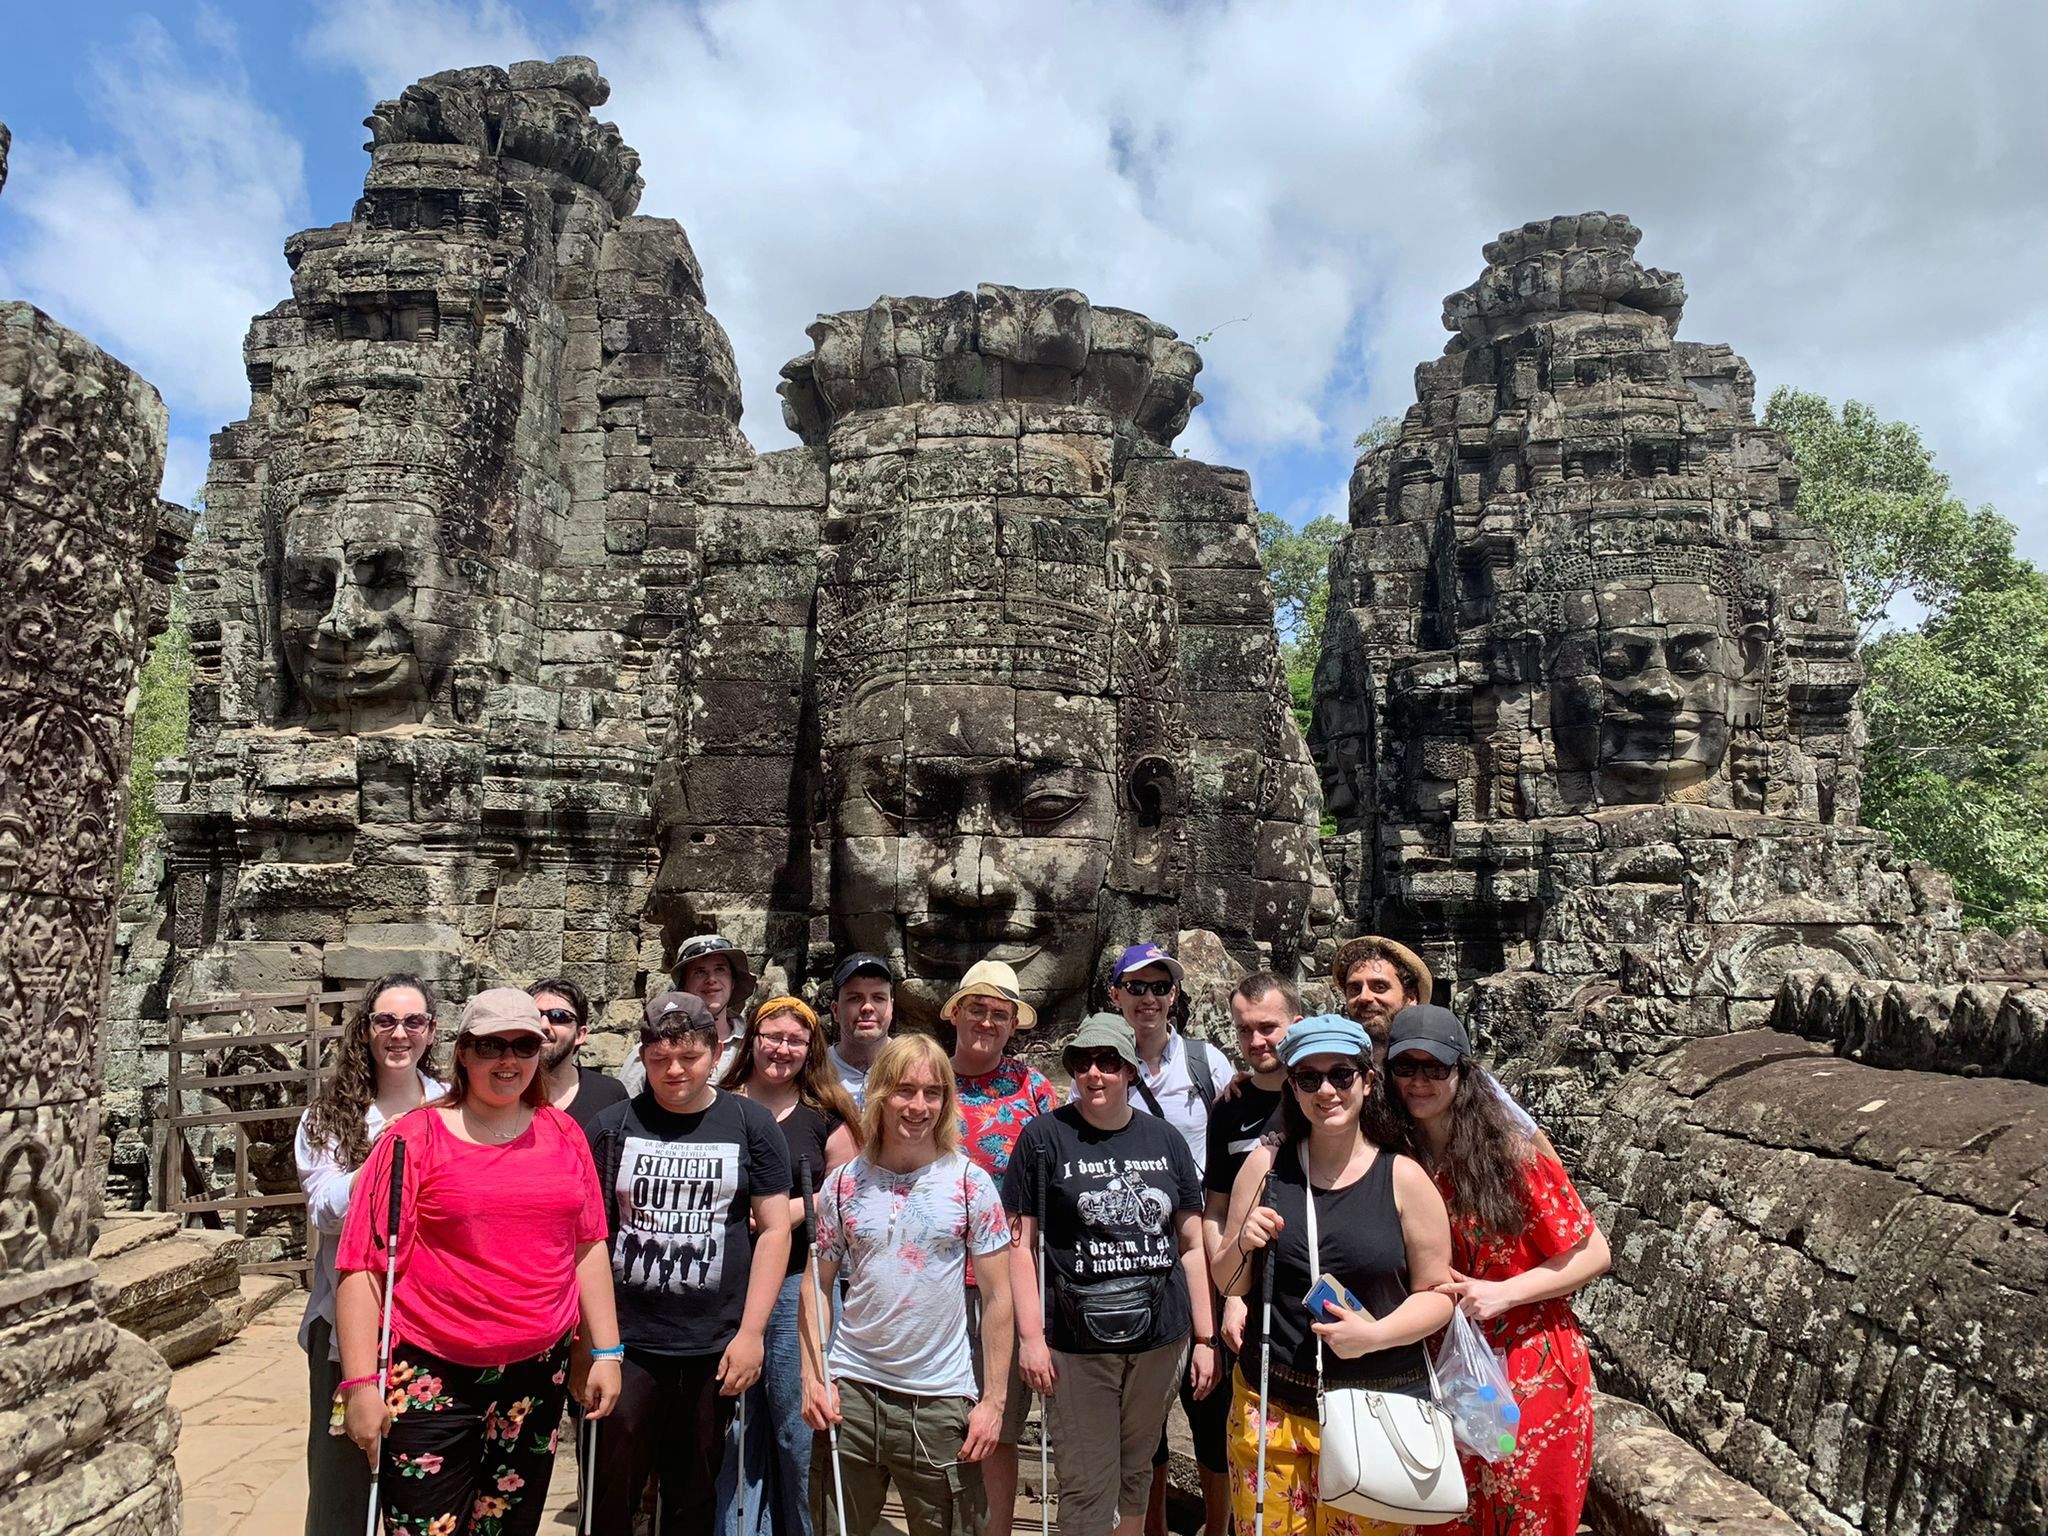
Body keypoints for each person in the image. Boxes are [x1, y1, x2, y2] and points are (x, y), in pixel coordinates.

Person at [335, 988, 621, 1536]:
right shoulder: (411, 1139)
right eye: (491, 1046)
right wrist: (360, 1385)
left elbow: (587, 1245)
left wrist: (605, 1350)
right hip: (433, 1371)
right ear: (463, 1052)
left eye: (523, 1046)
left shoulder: (564, 1135)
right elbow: (363, 1266)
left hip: (537, 1373)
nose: (508, 1060)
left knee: (509, 1528)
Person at [1214, 1014, 1456, 1536]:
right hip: (1272, 1407)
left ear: (1367, 1082)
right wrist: (1243, 1243)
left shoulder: (1404, 1178)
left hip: (1375, 1410)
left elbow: (1439, 1294)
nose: (1326, 1090)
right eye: (1309, 1078)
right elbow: (1229, 1282)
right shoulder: (1265, 1168)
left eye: (1341, 1075)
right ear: (1293, 1087)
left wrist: (1375, 1335)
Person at [1382, 1004, 1611, 1536]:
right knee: (1445, 1515)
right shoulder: (1395, 1158)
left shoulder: (1509, 1155)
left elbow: (1594, 1252)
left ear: (1462, 1073)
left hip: (1528, 1359)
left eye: (1435, 1067)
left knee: (1524, 1509)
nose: (1419, 1081)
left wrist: (1504, 1293)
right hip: (1440, 1364)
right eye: (1405, 1067)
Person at [586, 990, 795, 1536]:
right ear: (642, 1056)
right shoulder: (612, 1125)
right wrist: (594, 1344)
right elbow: (589, 1240)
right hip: (628, 1342)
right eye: (659, 1059)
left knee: (696, 1488)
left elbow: (774, 1230)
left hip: (713, 1345)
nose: (674, 1071)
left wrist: (752, 1334)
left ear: (717, 1052)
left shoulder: (750, 1123)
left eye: (689, 1057)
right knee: (612, 1486)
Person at [1008, 1014, 1217, 1536]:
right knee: (1086, 1482)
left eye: (1107, 1061)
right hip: (1076, 1343)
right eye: (1082, 1062)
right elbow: (1021, 1247)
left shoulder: (1165, 1139)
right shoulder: (1043, 1138)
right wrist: (1030, 1338)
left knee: (1136, 1470)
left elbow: (1191, 1246)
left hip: (1160, 1338)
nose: (1094, 1073)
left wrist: (1205, 1338)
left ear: (1129, 1070)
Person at [800, 1034, 1013, 1536]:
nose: (919, 1106)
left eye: (933, 1093)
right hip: (852, 1395)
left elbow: (998, 1298)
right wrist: (812, 1377)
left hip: (939, 1400)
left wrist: (994, 1403)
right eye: (904, 1090)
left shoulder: (971, 1184)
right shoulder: (843, 1183)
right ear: (880, 1094)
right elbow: (816, 1285)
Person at [294, 974, 445, 1536]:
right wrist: (382, 1159)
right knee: (341, 1489)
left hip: (431, 1320)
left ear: (431, 1032)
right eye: (386, 1021)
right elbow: (323, 1209)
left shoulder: (452, 1108)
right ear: (367, 1030)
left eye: (413, 1022)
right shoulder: (328, 1116)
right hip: (347, 1322)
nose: (399, 1034)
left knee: (427, 1488)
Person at [715, 996, 861, 1536]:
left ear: (811, 1048)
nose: (782, 1049)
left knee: (797, 1429)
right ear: (751, 1041)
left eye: (795, 1040)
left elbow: (847, 1187)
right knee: (734, 1431)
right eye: (772, 1036)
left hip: (800, 1281)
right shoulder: (720, 1104)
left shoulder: (827, 1115)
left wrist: (786, 1211)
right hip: (729, 1285)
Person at [1100, 941, 1232, 1535]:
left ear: (1174, 995)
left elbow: (1238, 1133)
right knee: (1141, 1404)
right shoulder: (1100, 1063)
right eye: (1136, 987)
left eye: (1159, 987)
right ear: (1116, 995)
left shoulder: (1204, 1063)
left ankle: (1219, 1526)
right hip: (1129, 1253)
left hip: (1197, 1244)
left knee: (1210, 1399)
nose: (1148, 998)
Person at [945, 959, 1059, 1536]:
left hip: (1009, 1277)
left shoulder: (1035, 1088)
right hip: (937, 1276)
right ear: (956, 1013)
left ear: (1013, 1024)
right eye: (977, 1009)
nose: (987, 1022)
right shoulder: (928, 1078)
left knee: (999, 1425)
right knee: (940, 1419)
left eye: (1000, 1013)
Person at [619, 934, 756, 1094]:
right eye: (699, 972)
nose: (711, 979)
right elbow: (626, 1102)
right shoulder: (654, 1051)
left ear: (733, 981)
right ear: (683, 985)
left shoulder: (754, 1047)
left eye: (720, 969)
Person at [531, 974, 628, 1136]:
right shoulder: (506, 1093)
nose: (544, 1025)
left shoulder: (609, 1095)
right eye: (534, 1015)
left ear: (580, 1034)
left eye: (558, 1016)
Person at [1330, 934, 1434, 1047]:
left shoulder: (1434, 1055)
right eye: (1355, 989)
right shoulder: (1329, 1055)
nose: (1364, 997)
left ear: (1411, 997)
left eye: (1379, 987)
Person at [827, 951, 895, 1106]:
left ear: (892, 1007)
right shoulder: (814, 1073)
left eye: (878, 998)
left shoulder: (913, 1067)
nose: (867, 1007)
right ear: (835, 1011)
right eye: (855, 998)